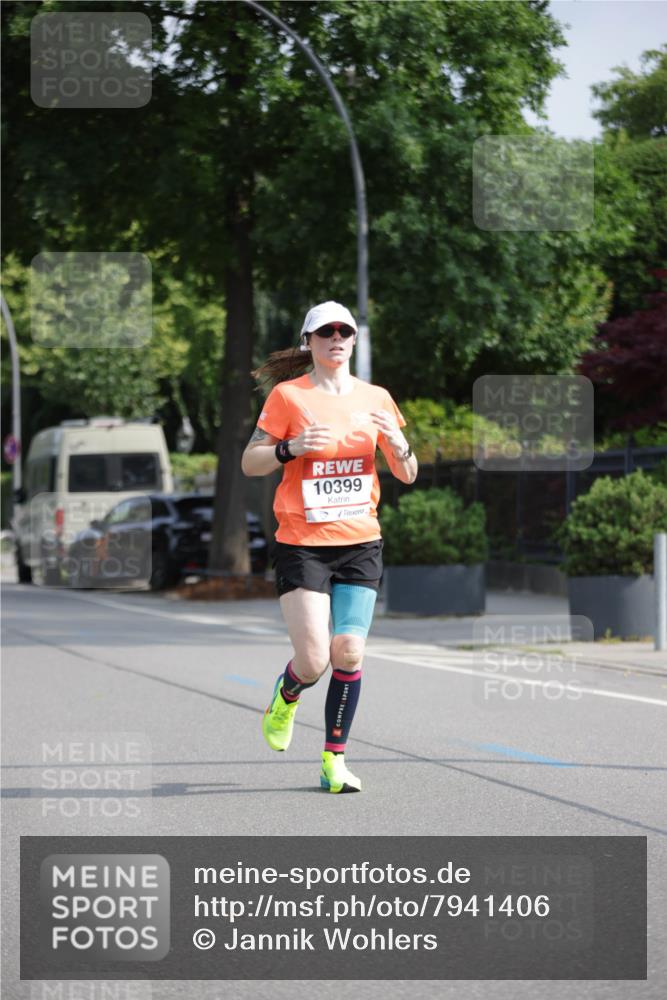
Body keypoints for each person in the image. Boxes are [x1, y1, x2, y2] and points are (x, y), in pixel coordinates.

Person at [241, 301, 418, 793]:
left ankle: (334, 761)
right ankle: (288, 693)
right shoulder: (288, 397)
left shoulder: (377, 398)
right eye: (326, 331)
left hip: (361, 540)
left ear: (354, 340)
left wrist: (397, 444)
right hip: (302, 543)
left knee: (351, 651)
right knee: (316, 658)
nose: (336, 337)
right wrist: (290, 449)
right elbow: (249, 463)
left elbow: (407, 472)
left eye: (345, 330)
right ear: (309, 342)